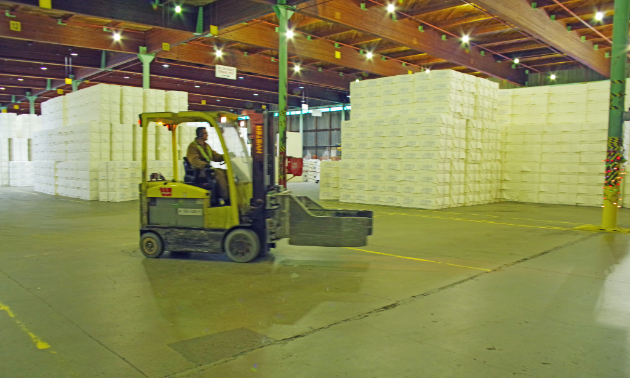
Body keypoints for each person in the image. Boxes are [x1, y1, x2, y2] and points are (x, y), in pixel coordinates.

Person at [186, 127, 230, 203]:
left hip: (208, 169)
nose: (207, 135)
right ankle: (226, 198)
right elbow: (194, 161)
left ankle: (230, 194)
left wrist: (226, 157)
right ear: (200, 134)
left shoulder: (206, 146)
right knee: (219, 173)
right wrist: (205, 165)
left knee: (228, 172)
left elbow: (214, 156)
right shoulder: (192, 147)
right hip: (200, 171)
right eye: (205, 133)